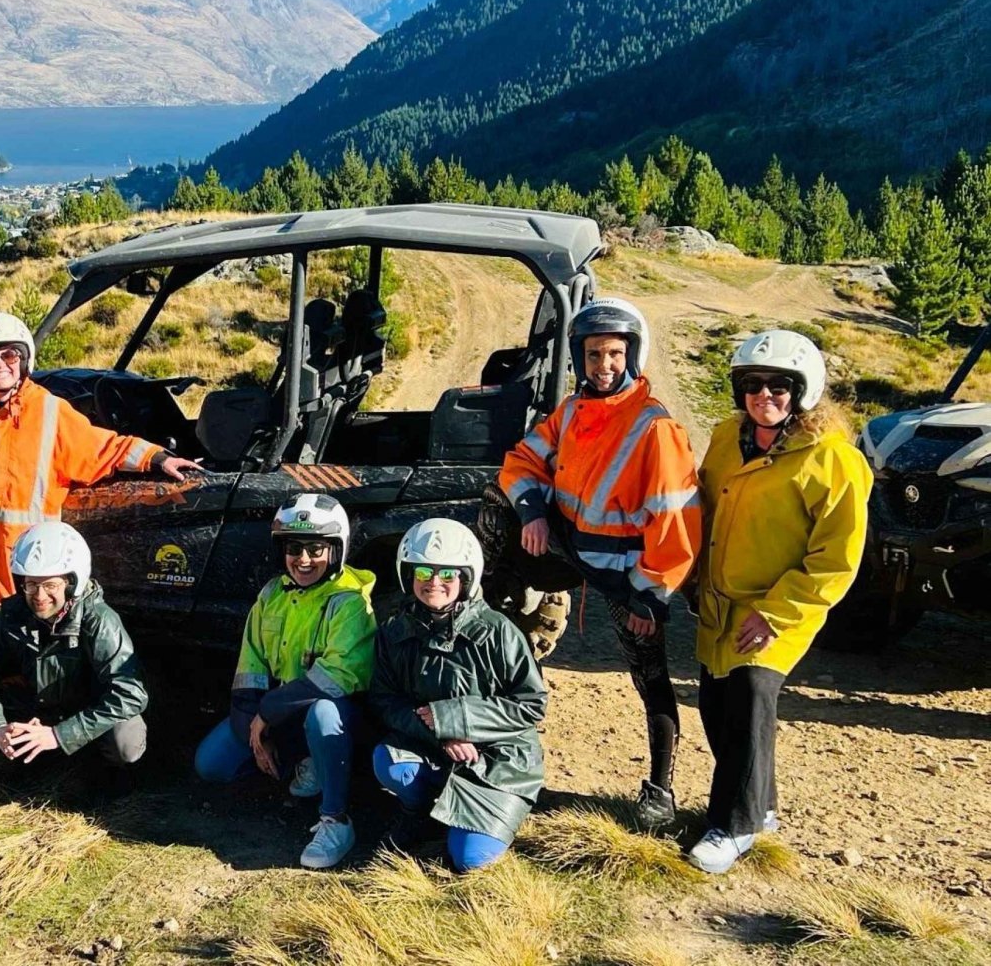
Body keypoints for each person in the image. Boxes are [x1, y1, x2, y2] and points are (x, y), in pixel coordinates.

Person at [0, 313, 201, 692]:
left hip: (22, 564)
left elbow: (103, 448)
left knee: (22, 649)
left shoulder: (49, 412)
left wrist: (157, 457)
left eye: (9, 356)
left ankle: (15, 726)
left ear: (24, 359)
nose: (0, 366)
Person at [499, 296, 701, 828]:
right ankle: (503, 762)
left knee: (650, 679)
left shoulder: (654, 428)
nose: (603, 366)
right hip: (574, 555)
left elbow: (675, 524)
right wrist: (531, 511)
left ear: (633, 355)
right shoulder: (571, 411)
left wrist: (648, 596)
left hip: (628, 579)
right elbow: (521, 460)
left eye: (613, 354)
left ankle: (661, 790)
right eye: (593, 355)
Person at [686, 330, 871, 873]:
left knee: (749, 695)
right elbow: (702, 504)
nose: (764, 395)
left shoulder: (834, 461)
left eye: (779, 386)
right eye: (752, 384)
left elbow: (836, 558)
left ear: (803, 391)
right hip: (719, 602)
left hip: (780, 606)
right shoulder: (726, 437)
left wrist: (775, 612)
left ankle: (734, 827)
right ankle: (761, 807)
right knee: (718, 709)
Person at [193, 494, 377, 869]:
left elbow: (339, 677)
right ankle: (291, 765)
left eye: (315, 548)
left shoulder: (350, 603)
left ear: (335, 550)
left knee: (324, 715)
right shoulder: (271, 595)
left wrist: (267, 714)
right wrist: (255, 731)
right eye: (295, 547)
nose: (304, 559)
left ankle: (336, 818)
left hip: (337, 717)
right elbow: (251, 665)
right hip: (279, 715)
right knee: (210, 764)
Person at [370, 518, 547, 872]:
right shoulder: (394, 631)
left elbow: (530, 705)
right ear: (409, 574)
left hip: (498, 759)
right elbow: (385, 699)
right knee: (388, 763)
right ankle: (418, 812)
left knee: (470, 859)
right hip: (432, 745)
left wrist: (456, 719)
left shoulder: (498, 632)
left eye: (447, 574)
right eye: (423, 571)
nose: (434, 582)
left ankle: (478, 815)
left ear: (466, 577)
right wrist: (440, 731)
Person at [0, 521, 148, 769]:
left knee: (125, 739)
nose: (40, 596)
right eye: (31, 585)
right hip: (30, 706)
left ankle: (103, 775)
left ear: (71, 583)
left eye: (50, 585)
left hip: (81, 710)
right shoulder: (9, 615)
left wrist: (60, 735)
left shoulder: (100, 621)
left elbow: (129, 693)